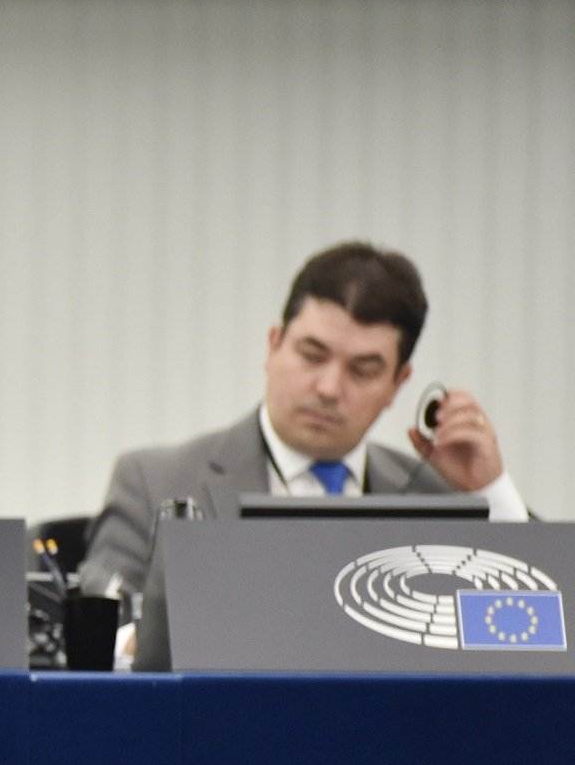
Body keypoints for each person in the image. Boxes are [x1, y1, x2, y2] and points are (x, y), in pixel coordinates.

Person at [81, 240, 527, 603]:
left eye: (363, 370)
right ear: (274, 346)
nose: (329, 388)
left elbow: (532, 627)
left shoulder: (439, 497)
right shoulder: (155, 482)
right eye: (312, 356)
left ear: (397, 383)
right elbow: (104, 632)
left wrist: (488, 490)